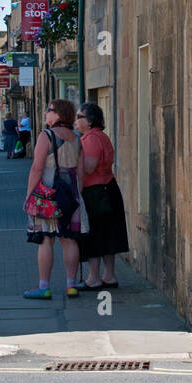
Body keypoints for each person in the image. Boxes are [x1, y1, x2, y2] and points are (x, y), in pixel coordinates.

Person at [23, 99, 88, 300]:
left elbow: (37, 167)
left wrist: (29, 194)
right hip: (71, 194)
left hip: (49, 195)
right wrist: (77, 195)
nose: (46, 114)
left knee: (46, 239)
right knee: (69, 240)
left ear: (58, 114)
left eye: (49, 110)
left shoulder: (47, 135)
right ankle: (71, 285)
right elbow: (81, 172)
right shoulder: (77, 138)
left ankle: (44, 286)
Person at [75, 102, 128, 289]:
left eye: (79, 117)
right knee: (108, 233)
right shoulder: (101, 136)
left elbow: (89, 167)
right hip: (108, 188)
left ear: (89, 121)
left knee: (95, 234)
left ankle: (93, 279)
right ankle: (109, 276)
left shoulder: (89, 139)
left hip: (95, 191)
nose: (76, 121)